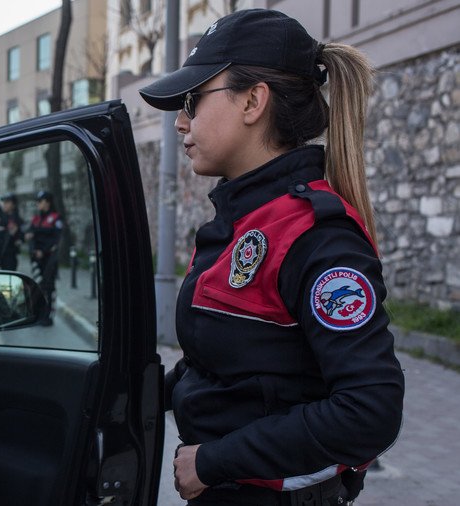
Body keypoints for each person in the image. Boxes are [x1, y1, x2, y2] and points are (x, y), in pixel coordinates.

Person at [138, 9, 404, 505]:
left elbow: (370, 411)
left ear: (253, 101)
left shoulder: (315, 235)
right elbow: (229, 365)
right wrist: (131, 394)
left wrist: (216, 462)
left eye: (194, 100)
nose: (179, 121)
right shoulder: (239, 221)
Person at [25, 190, 63, 326]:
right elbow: (30, 234)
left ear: (47, 202)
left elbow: (56, 240)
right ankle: (37, 315)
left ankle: (48, 316)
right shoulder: (36, 219)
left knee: (49, 287)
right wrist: (33, 246)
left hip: (49, 259)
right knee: (36, 286)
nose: (38, 204)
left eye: (40, 201)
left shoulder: (55, 218)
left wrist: (44, 251)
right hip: (36, 259)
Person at [0, 193, 24, 271]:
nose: (4, 204)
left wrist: (18, 237)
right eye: (4, 202)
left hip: (10, 254)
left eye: (7, 202)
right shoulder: (0, 218)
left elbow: (22, 236)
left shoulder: (18, 220)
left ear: (13, 204)